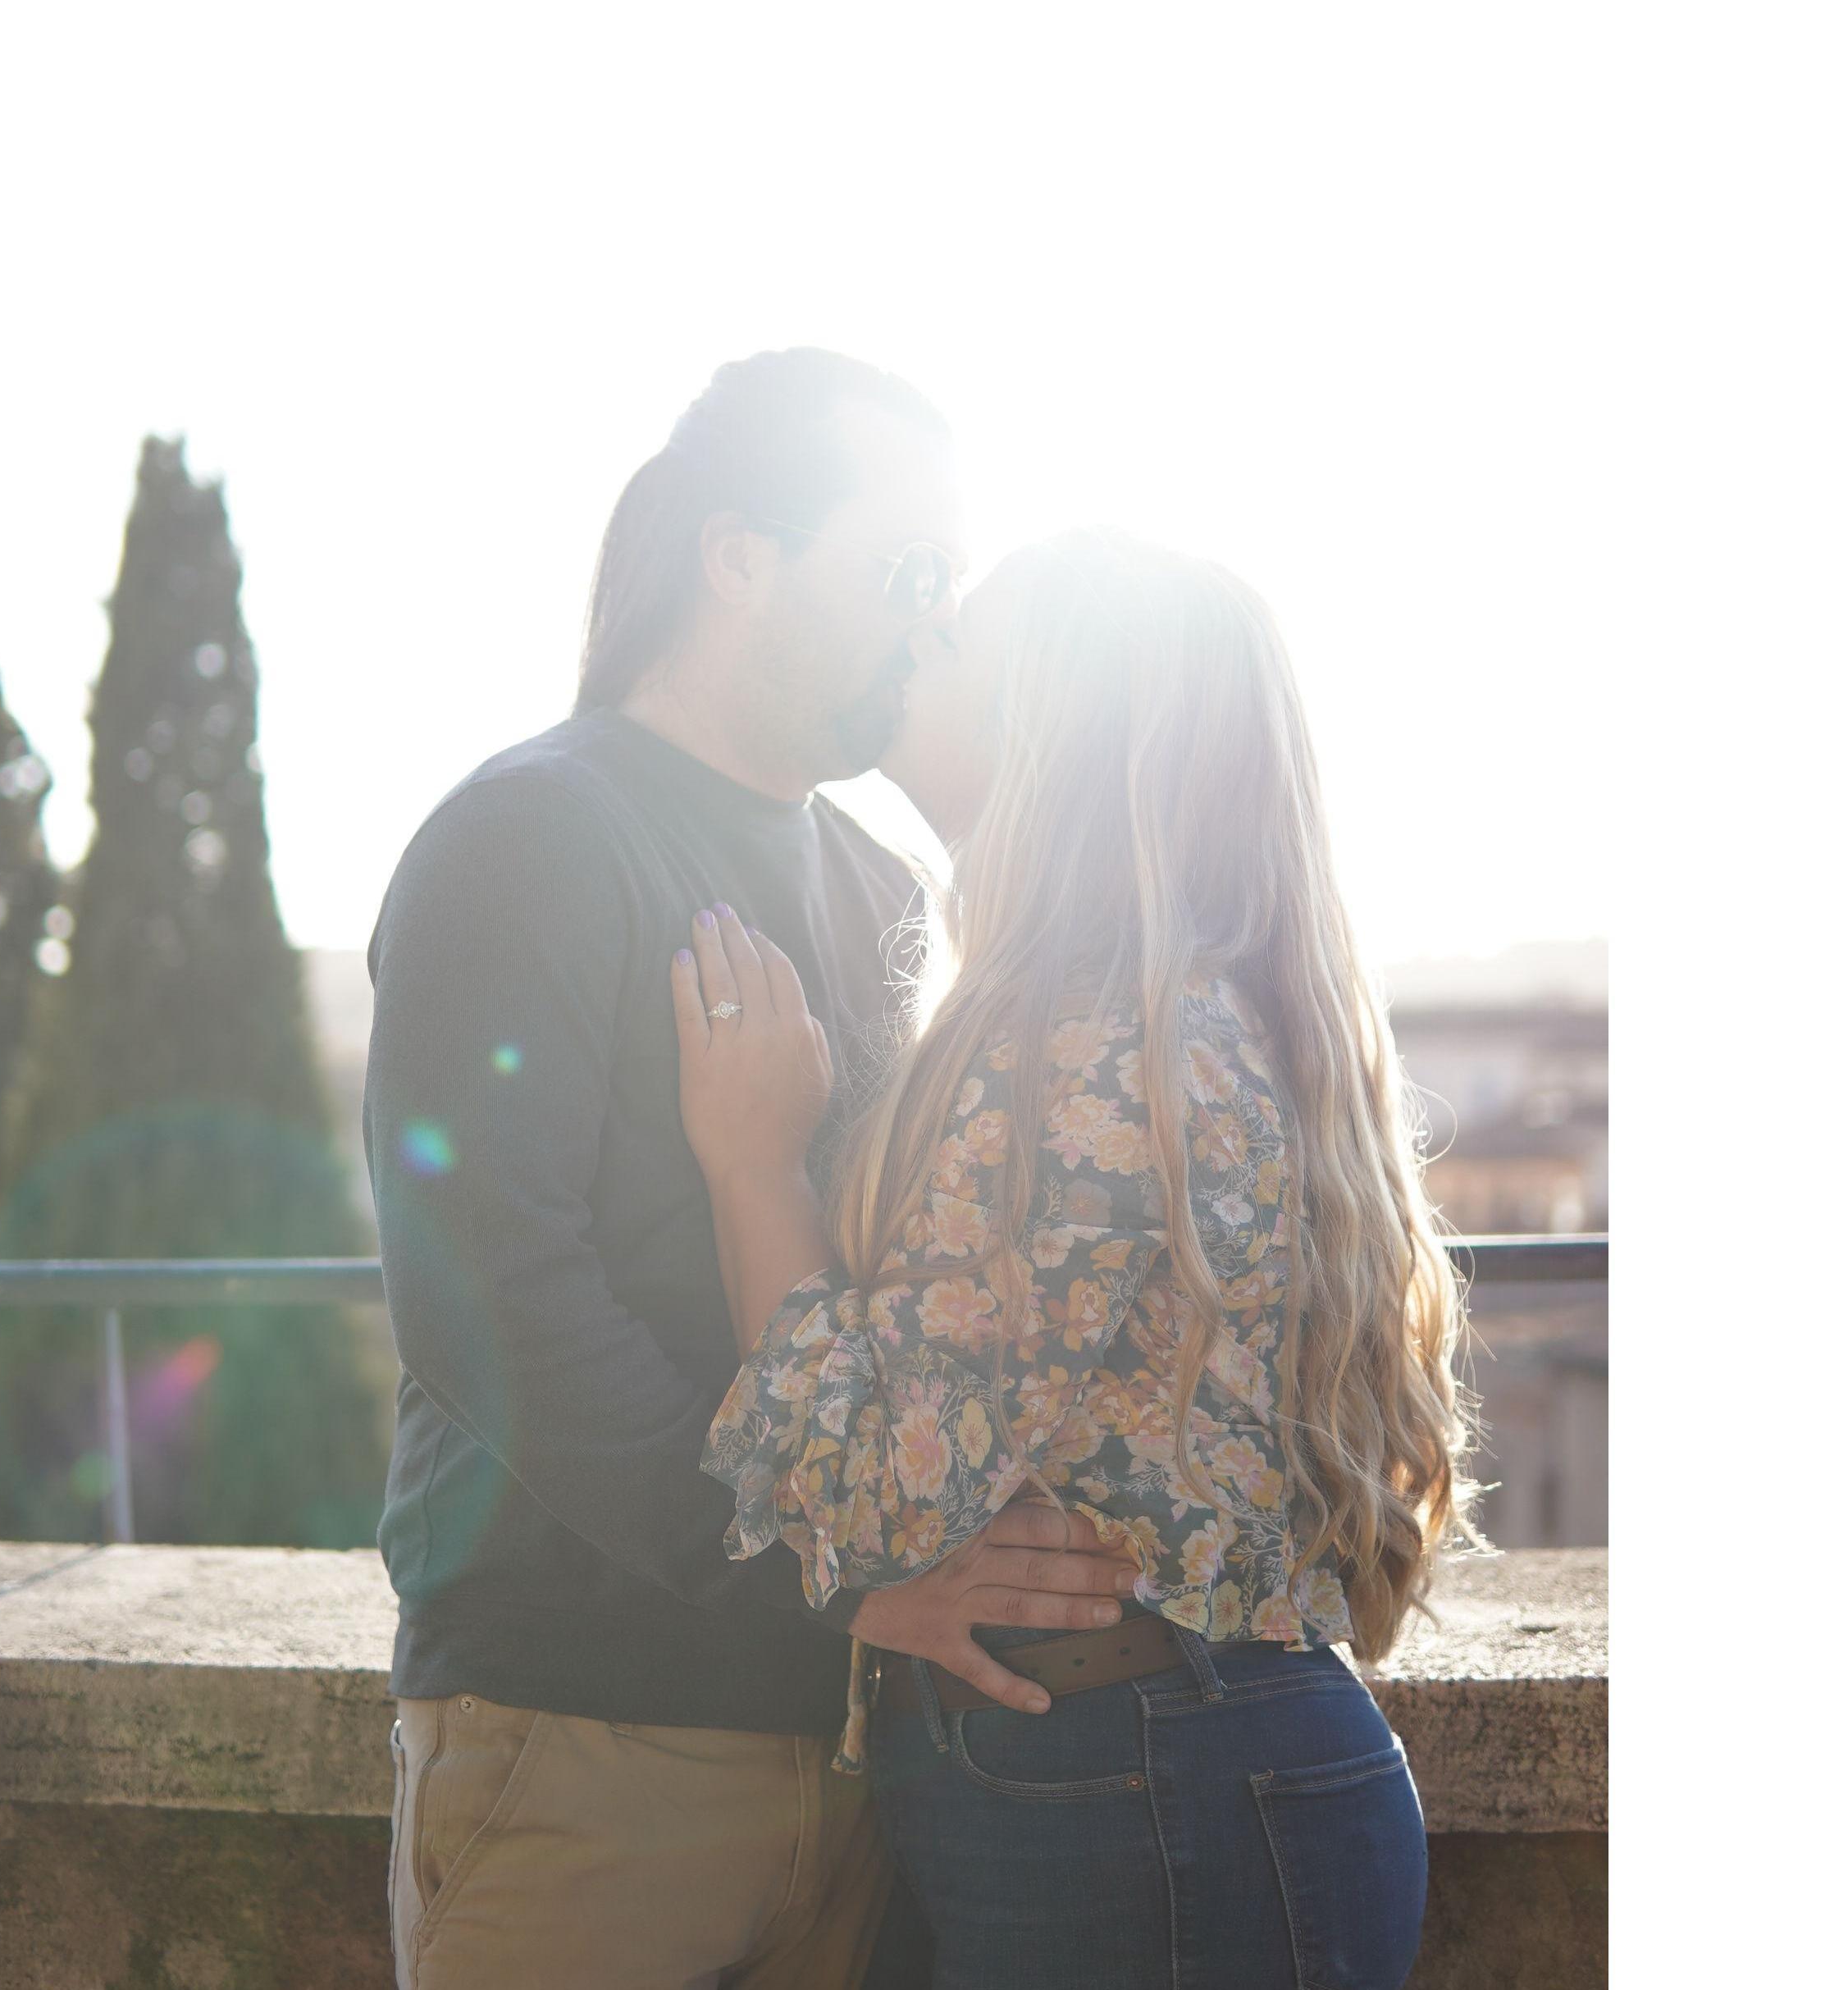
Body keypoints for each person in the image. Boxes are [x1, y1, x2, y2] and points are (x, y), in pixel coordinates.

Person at [366, 355, 1138, 1990]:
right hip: (583, 1750)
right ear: (738, 557)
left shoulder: (874, 880)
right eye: (901, 571)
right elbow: (481, 1287)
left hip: (859, 1757)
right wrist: (821, 1576)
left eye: (950, 583)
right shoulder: (529, 838)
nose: (933, 628)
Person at [678, 529, 1471, 1988]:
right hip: (1157, 1783)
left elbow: (869, 1491)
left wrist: (751, 1163)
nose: (911, 649)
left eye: (952, 641)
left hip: (1148, 1799)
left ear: (1061, 723)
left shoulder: (1098, 1048)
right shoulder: (1157, 1017)